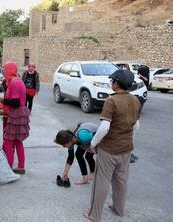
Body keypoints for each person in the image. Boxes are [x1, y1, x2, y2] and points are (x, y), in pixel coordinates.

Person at [84, 69, 141, 222]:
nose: (111, 83)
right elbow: (136, 126)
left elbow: (104, 128)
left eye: (112, 81)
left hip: (109, 149)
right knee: (121, 180)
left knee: (101, 182)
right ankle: (118, 209)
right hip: (126, 148)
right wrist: (128, 141)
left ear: (116, 84)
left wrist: (93, 143)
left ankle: (94, 215)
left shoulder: (111, 101)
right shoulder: (135, 100)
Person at [0, 61, 31, 175]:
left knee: (8, 142)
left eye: (5, 69)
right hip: (20, 114)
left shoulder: (14, 83)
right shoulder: (17, 81)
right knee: (18, 142)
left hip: (16, 115)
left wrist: (3, 100)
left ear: (8, 70)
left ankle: (8, 168)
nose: (4, 71)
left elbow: (15, 102)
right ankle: (21, 166)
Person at [54, 123, 98, 187]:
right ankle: (85, 178)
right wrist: (65, 173)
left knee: (88, 156)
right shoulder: (71, 140)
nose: (63, 147)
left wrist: (94, 147)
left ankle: (93, 173)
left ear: (69, 141)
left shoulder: (82, 136)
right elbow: (70, 157)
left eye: (63, 145)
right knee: (78, 154)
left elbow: (98, 134)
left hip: (97, 138)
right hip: (86, 141)